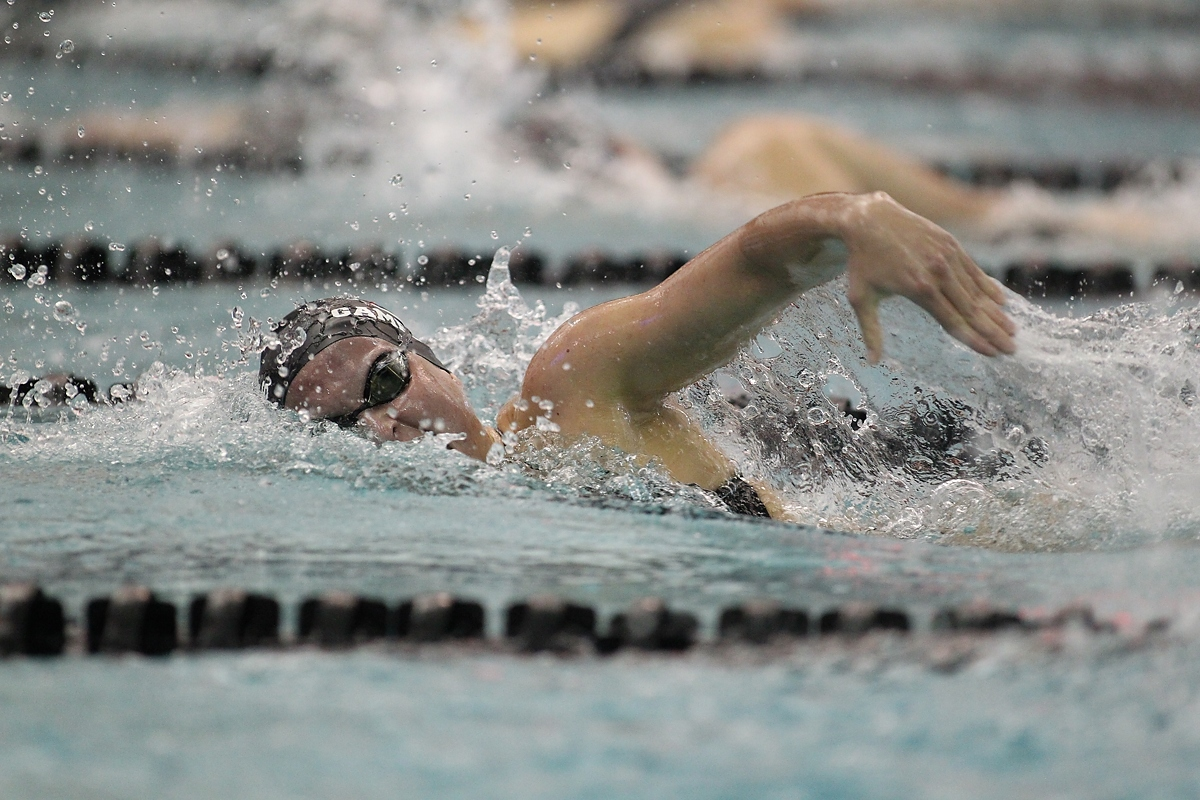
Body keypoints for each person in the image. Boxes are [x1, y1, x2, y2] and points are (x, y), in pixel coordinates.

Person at [260, 192, 1016, 520]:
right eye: (344, 427)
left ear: (432, 361)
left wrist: (853, 220)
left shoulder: (570, 390)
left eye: (384, 382)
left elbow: (753, 265)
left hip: (977, 481)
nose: (385, 425)